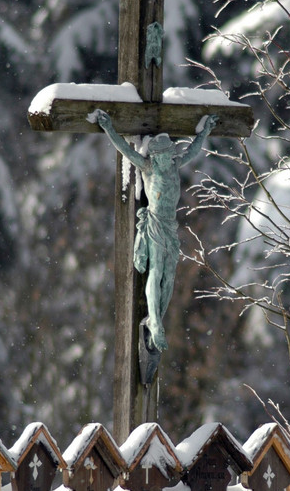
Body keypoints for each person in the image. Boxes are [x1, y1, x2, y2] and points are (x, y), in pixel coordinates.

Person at [93, 109, 218, 353]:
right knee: (156, 271)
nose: (170, 159)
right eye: (165, 156)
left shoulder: (173, 166)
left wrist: (205, 132)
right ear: (156, 155)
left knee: (169, 276)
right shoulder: (148, 168)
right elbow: (126, 150)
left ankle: (156, 317)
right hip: (156, 226)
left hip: (171, 226)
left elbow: (192, 150)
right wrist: (109, 128)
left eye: (171, 155)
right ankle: (156, 323)